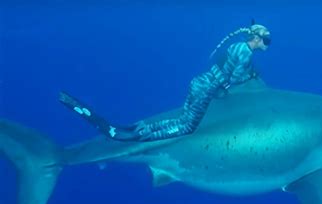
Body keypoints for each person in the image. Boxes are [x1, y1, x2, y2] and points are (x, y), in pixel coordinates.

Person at [59, 23, 271, 142]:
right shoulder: (246, 54)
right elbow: (234, 78)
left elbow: (222, 66)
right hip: (207, 89)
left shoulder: (236, 46)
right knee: (187, 127)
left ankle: (140, 128)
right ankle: (134, 137)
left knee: (181, 118)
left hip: (199, 82)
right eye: (266, 41)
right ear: (257, 39)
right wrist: (249, 77)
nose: (267, 45)